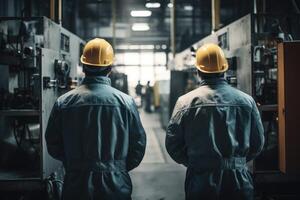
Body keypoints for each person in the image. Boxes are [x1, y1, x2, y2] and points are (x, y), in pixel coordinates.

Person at [45, 38, 146, 200]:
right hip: (115, 185)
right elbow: (138, 145)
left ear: (83, 66)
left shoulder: (64, 102)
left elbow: (53, 144)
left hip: (76, 185)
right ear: (110, 68)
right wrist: (117, 168)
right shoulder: (126, 102)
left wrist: (73, 163)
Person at [165, 43, 264, 200]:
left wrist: (194, 162)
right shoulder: (246, 101)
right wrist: (236, 162)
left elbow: (173, 145)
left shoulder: (184, 102)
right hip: (238, 180)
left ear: (198, 71)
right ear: (225, 69)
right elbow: (257, 143)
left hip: (201, 179)